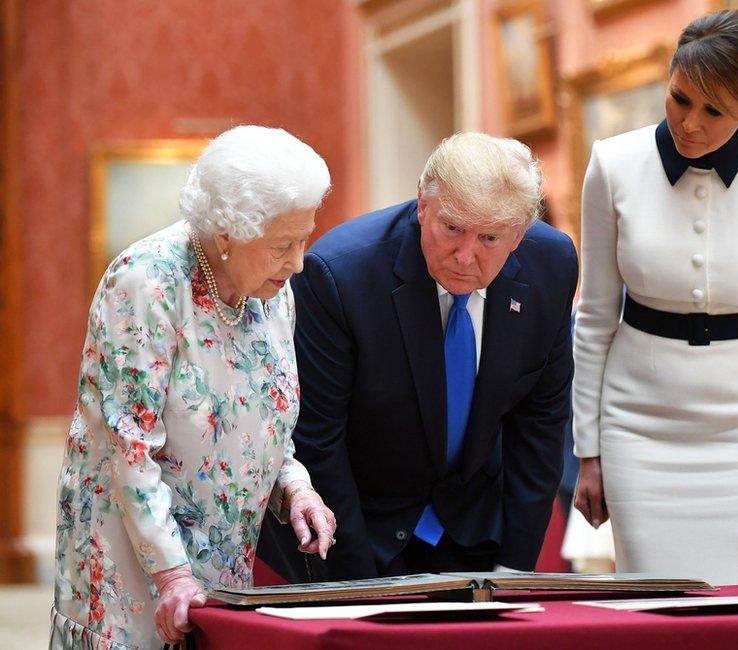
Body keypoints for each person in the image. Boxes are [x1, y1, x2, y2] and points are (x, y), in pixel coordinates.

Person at [572, 9, 738, 585]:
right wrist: (587, 453)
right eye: (679, 98)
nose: (690, 124)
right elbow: (593, 319)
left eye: (714, 110)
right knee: (656, 604)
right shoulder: (612, 165)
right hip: (640, 426)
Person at [52, 125, 338, 648]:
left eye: (305, 240)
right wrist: (172, 574)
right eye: (282, 245)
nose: (297, 262)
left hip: (222, 572)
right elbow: (129, 445)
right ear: (226, 233)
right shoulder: (147, 282)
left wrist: (295, 488)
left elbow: (269, 419)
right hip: (133, 573)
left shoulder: (273, 292)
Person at [258, 132, 578, 581]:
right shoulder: (340, 274)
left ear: (519, 234)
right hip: (359, 524)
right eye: (451, 229)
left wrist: (514, 571)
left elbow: (541, 421)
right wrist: (358, 587)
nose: (466, 256)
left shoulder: (553, 264)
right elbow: (319, 439)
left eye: (489, 237)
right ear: (422, 206)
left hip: (473, 527)